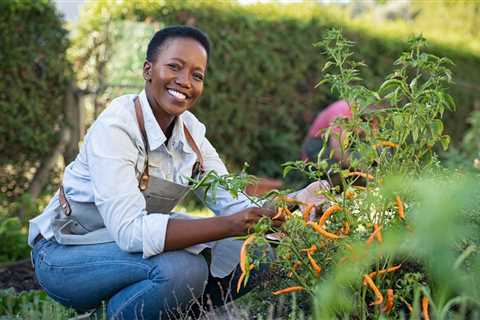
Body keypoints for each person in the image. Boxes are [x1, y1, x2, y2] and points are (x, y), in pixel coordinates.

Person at [28, 26, 323, 320]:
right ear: (148, 69)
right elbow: (130, 232)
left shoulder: (191, 135)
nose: (185, 82)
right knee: (183, 270)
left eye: (197, 75)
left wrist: (298, 200)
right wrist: (230, 225)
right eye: (174, 67)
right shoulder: (116, 128)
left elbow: (236, 204)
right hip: (65, 254)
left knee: (258, 254)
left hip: (122, 251)